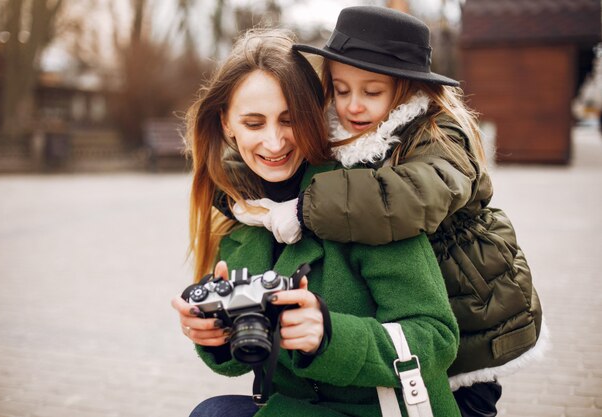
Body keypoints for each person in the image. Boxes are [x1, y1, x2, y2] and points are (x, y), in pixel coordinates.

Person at [231, 6, 548, 417]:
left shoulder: (440, 137)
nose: (353, 106)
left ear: (407, 90)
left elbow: (409, 198)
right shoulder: (352, 137)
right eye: (341, 90)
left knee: (463, 399)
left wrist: (306, 208)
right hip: (413, 304)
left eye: (372, 92)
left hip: (471, 310)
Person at [171, 28, 462, 417]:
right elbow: (244, 357)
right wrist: (215, 336)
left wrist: (330, 336)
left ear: (313, 115)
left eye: (289, 120)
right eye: (254, 124)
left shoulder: (364, 199)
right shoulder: (241, 216)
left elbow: (437, 337)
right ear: (227, 124)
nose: (274, 143)